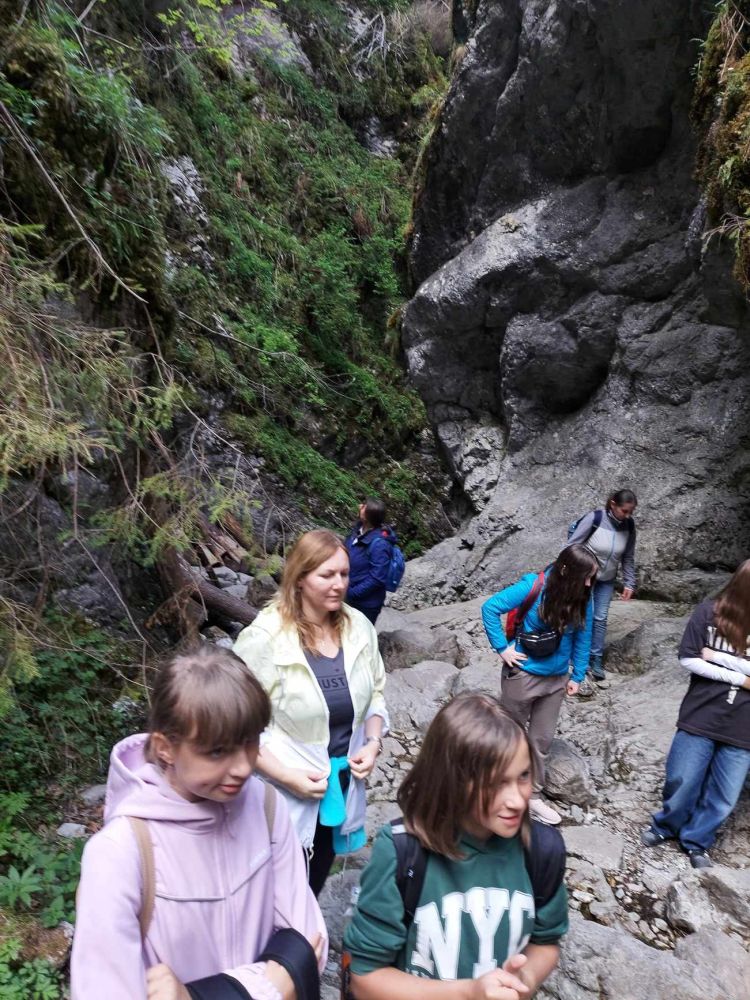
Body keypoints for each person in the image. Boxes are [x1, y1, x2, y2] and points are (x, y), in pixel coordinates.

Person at [71, 645, 327, 1000]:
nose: (243, 767)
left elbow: (310, 945)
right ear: (165, 747)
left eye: (251, 741)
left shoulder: (266, 806)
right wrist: (274, 984)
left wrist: (197, 996)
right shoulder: (119, 853)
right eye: (217, 751)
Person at [342, 694, 568, 999]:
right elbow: (364, 977)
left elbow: (546, 942)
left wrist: (520, 981)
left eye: (524, 776)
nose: (517, 800)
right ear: (452, 781)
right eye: (495, 784)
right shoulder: (402, 852)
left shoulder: (541, 850)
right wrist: (469, 993)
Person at [233, 529, 388, 896]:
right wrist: (287, 777)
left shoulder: (359, 628)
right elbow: (237, 728)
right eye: (327, 575)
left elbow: (376, 694)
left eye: (344, 574)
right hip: (279, 796)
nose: (339, 584)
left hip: (337, 789)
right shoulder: (266, 637)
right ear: (300, 578)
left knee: (312, 884)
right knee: (271, 895)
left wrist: (373, 742)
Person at [641, 559, 750, 869]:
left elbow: (704, 658)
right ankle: (665, 827)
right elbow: (688, 658)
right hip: (701, 713)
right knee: (681, 779)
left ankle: (697, 841)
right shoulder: (707, 614)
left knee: (725, 794)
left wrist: (716, 657)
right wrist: (740, 678)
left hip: (743, 726)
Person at [481, 544, 597, 826]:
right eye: (585, 577)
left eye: (592, 577)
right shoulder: (533, 587)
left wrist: (577, 675)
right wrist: (502, 648)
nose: (589, 583)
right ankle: (497, 789)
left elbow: (584, 635)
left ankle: (532, 796)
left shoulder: (584, 596)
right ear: (567, 571)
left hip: (556, 680)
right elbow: (490, 608)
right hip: (523, 675)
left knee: (541, 740)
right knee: (510, 736)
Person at [566, 488, 637, 684]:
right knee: (580, 614)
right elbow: (572, 545)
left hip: (607, 579)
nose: (627, 515)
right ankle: (572, 656)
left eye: (631, 512)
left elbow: (628, 556)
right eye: (624, 511)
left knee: (600, 617)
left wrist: (629, 582)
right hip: (584, 577)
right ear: (613, 504)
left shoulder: (629, 525)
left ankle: (595, 658)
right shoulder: (595, 519)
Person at [344, 497, 398, 625]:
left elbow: (377, 578)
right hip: (349, 595)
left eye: (363, 507)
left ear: (369, 515)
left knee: (359, 634)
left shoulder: (380, 544)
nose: (359, 506)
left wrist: (351, 594)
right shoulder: (358, 531)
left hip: (365, 604)